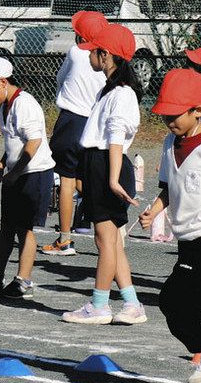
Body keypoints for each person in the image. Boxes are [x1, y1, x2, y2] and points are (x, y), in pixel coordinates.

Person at [139, 69, 201, 383]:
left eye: (175, 115)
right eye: (165, 115)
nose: (169, 121)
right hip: (187, 236)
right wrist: (154, 211)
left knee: (172, 301)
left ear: (198, 111)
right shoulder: (170, 143)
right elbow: (169, 187)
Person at [61, 23, 146, 326]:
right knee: (109, 239)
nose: (89, 56)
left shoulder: (122, 93)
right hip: (98, 163)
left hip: (107, 164)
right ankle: (132, 304)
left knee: (105, 239)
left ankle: (99, 305)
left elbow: (115, 137)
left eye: (93, 51)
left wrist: (111, 178)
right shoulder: (109, 89)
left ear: (106, 55)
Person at [0, 57, 55, 299]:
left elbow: (34, 141)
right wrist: (2, 165)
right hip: (16, 174)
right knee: (6, 226)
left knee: (24, 228)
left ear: (2, 82)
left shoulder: (24, 103)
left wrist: (16, 172)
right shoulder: (4, 106)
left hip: (33, 174)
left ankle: (24, 281)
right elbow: (13, 141)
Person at [42, 11, 108, 256]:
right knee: (84, 179)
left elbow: (60, 78)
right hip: (94, 124)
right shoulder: (107, 58)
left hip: (71, 121)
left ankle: (65, 239)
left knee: (67, 182)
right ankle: (111, 227)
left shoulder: (75, 52)